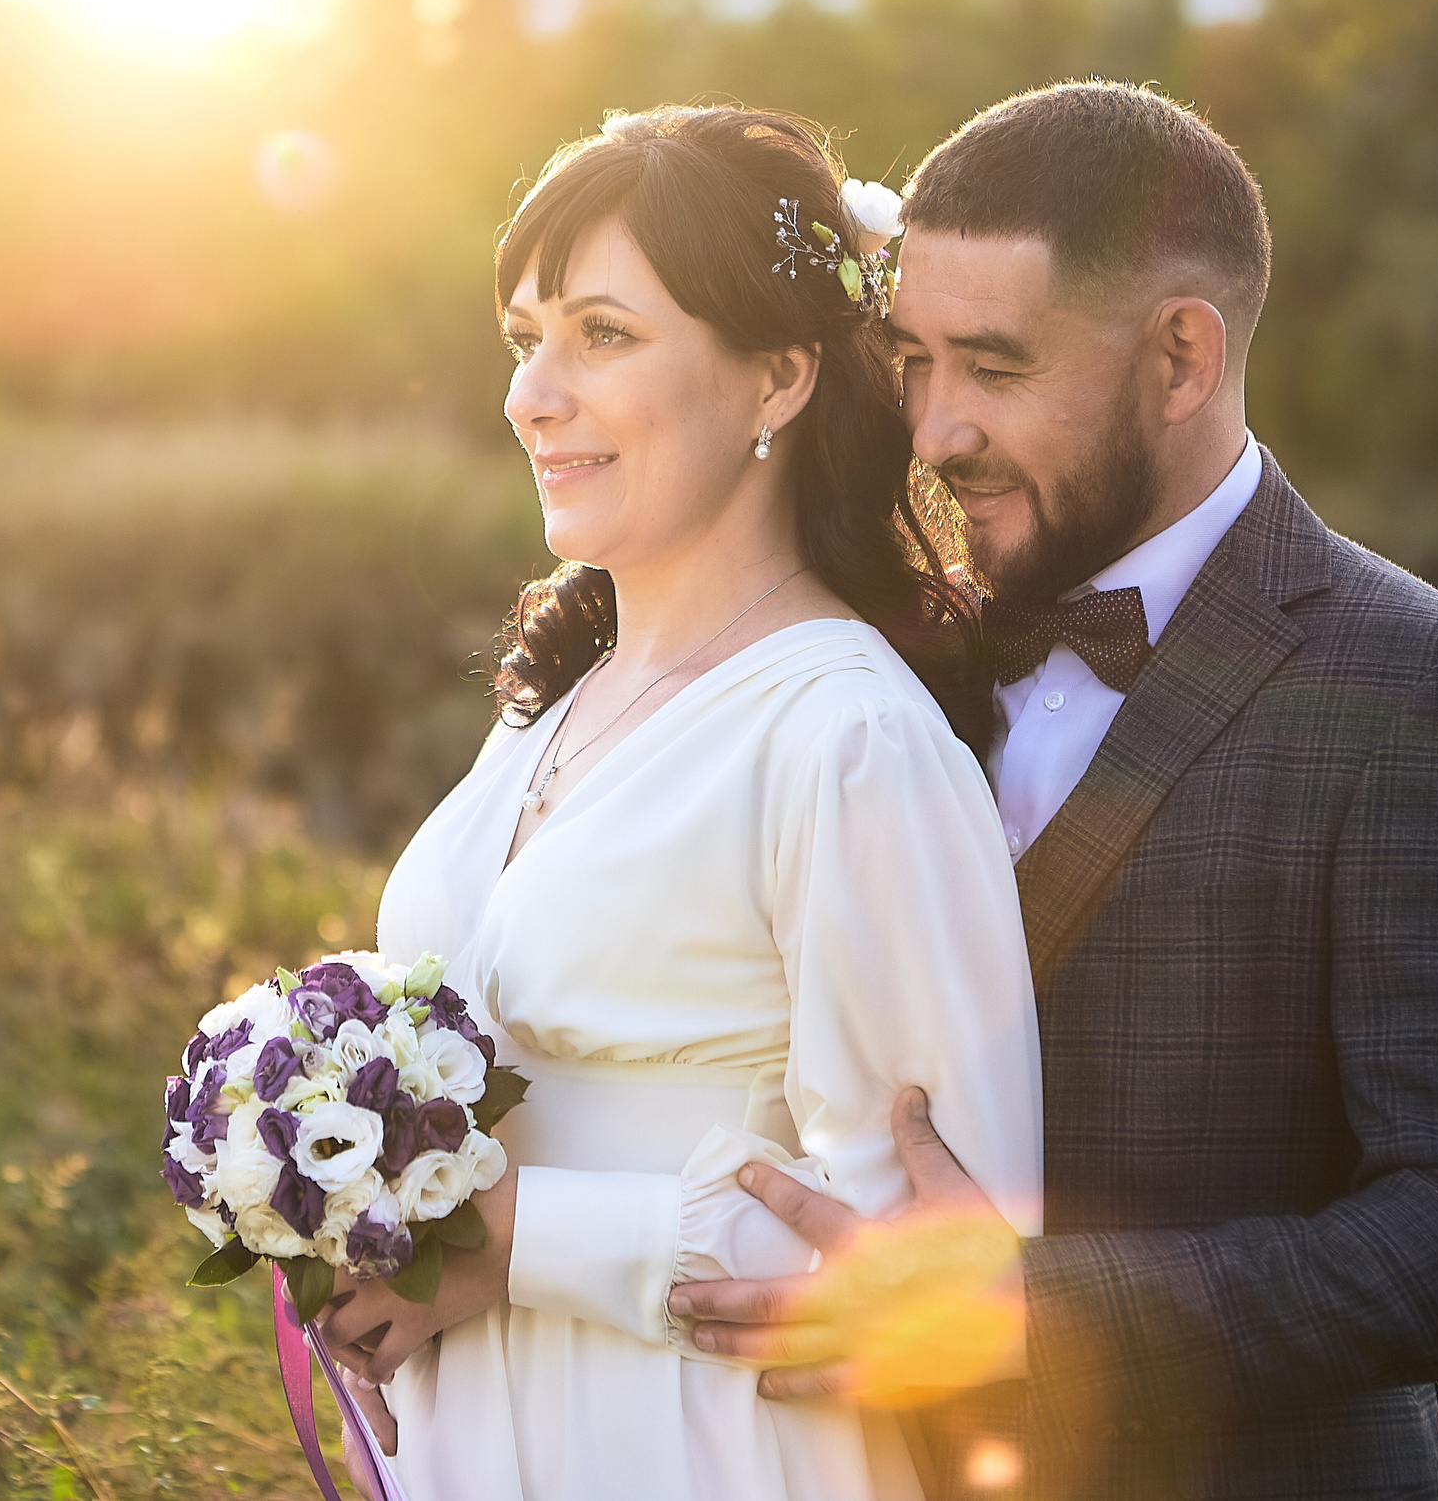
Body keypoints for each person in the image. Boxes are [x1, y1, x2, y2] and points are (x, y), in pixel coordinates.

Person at [671, 81, 1438, 1498]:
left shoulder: (1428, 689)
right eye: (913, 361)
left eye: (995, 366)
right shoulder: (874, 666)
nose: (934, 433)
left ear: (1181, 357)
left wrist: (1030, 1314)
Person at [316, 104, 1044, 1501]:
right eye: (527, 337)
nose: (533, 393)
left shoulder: (846, 737)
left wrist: (506, 1241)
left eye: (603, 334)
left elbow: (934, 1260)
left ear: (778, 378)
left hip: (706, 1451)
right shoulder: (548, 712)